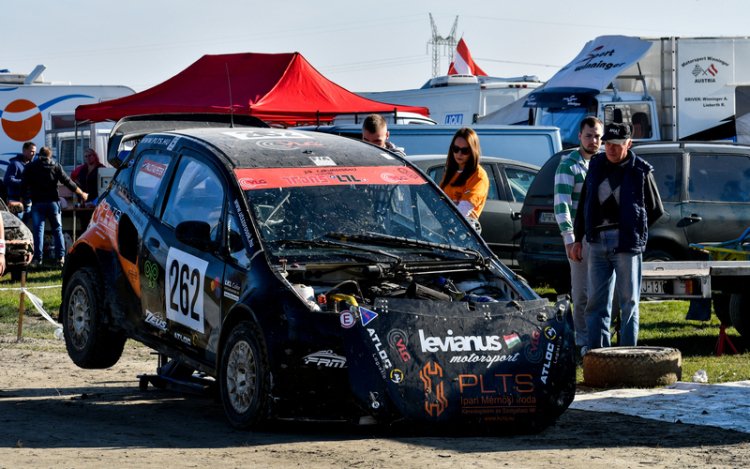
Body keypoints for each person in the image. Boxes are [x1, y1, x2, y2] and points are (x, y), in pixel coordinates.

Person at [571, 123, 664, 350]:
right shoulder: (596, 165)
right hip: (596, 242)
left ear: (628, 144)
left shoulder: (640, 169)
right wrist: (577, 238)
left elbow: (656, 209)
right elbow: (584, 203)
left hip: (626, 244)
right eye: (608, 144)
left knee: (629, 303)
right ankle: (597, 357)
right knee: (595, 304)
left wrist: (633, 230)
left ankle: (629, 358)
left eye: (617, 145)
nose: (610, 149)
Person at [554, 117, 603, 357]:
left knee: (603, 291)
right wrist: (570, 239)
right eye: (588, 136)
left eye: (597, 136)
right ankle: (583, 343)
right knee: (582, 292)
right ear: (579, 137)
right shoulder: (569, 164)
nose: (593, 141)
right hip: (579, 239)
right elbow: (561, 205)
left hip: (603, 237)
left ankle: (600, 338)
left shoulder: (605, 162)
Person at [20, 147, 88, 268]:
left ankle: (37, 259)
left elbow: (23, 185)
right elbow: (68, 182)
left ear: (39, 155)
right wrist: (81, 193)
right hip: (53, 202)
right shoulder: (56, 166)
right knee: (57, 231)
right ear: (50, 156)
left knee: (38, 232)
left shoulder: (31, 167)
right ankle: (60, 258)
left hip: (38, 203)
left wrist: (21, 200)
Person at [439, 127, 489, 219]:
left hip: (462, 230)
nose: (459, 154)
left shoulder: (478, 175)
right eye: (456, 149)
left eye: (465, 150)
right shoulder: (449, 174)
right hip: (444, 227)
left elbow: (464, 209)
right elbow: (437, 202)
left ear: (473, 151)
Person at [4, 142, 35, 222]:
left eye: (35, 152)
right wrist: (24, 183)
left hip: (28, 202)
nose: (34, 154)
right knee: (16, 228)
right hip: (16, 202)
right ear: (24, 150)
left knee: (24, 228)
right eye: (32, 151)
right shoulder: (15, 164)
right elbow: (7, 180)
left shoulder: (31, 165)